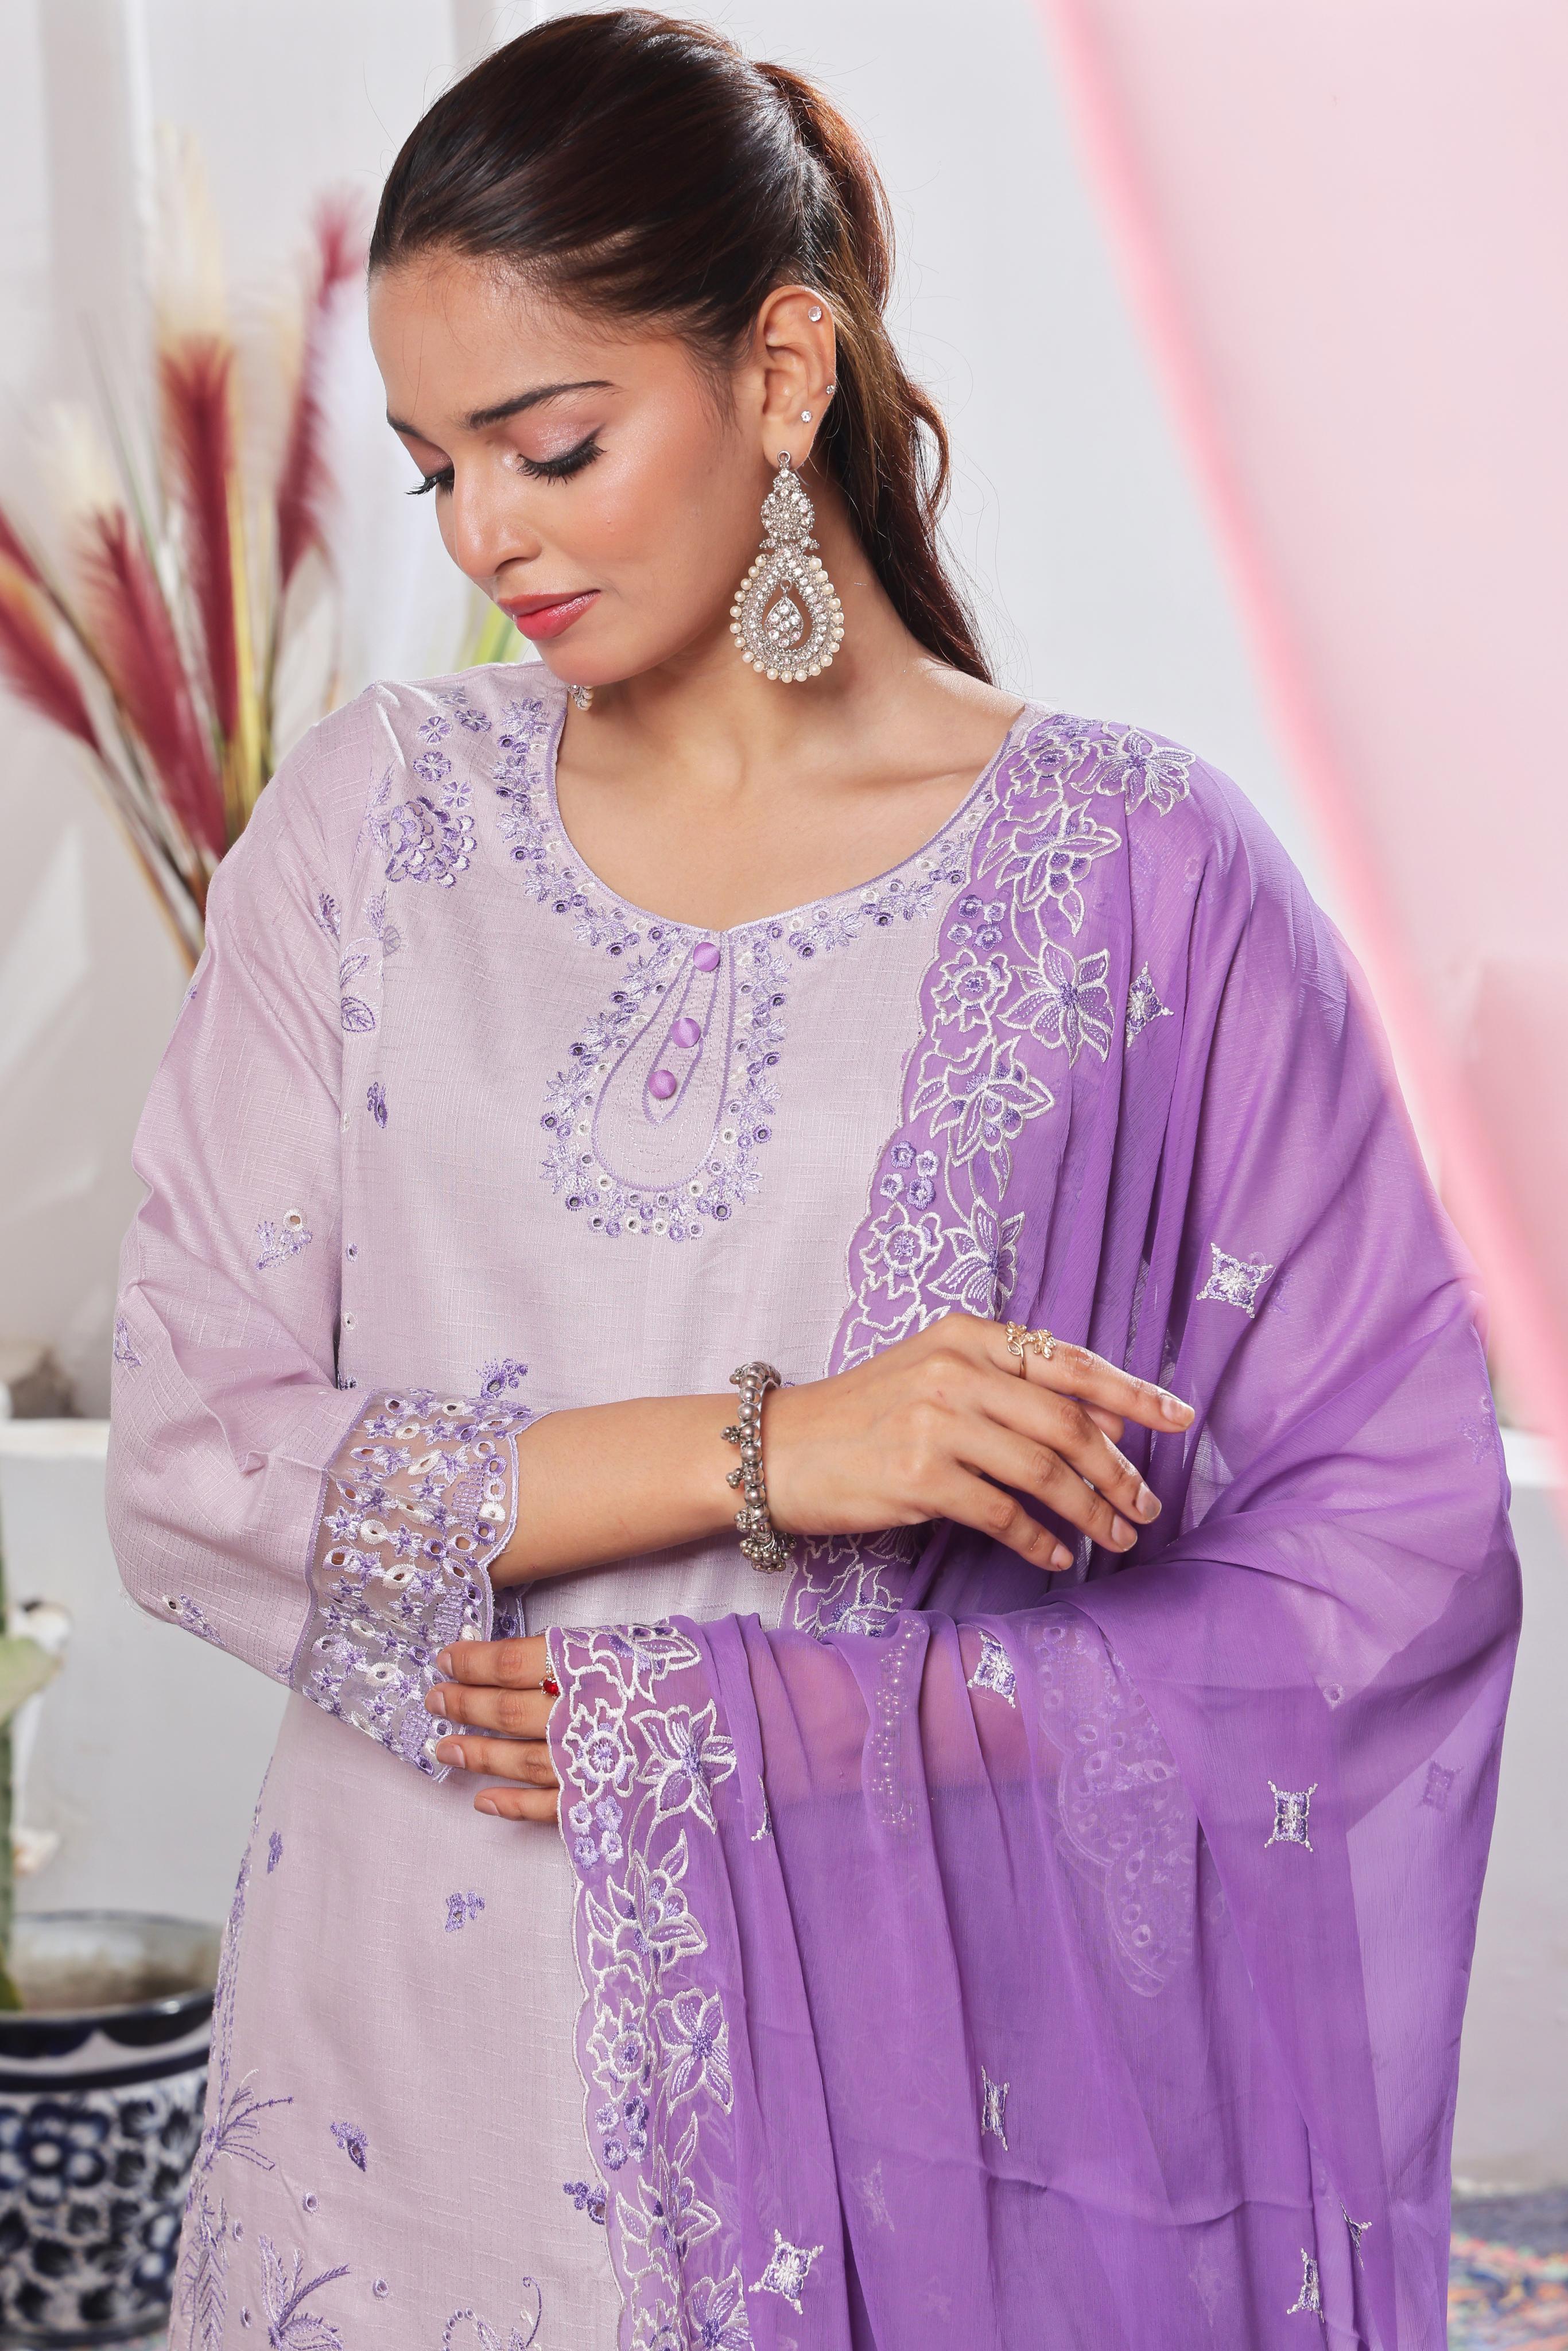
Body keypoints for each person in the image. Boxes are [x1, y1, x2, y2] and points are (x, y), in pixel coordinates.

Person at [106, 13, 1520, 2346]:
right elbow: (193, 1460)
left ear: (778, 371)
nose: (481, 535)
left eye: (550, 444)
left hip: (897, 2122)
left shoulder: (1143, 884)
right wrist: (778, 1449)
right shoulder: (367, 833)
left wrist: (822, 1728)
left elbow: (1382, 1560)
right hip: (392, 2111)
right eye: (436, 467)